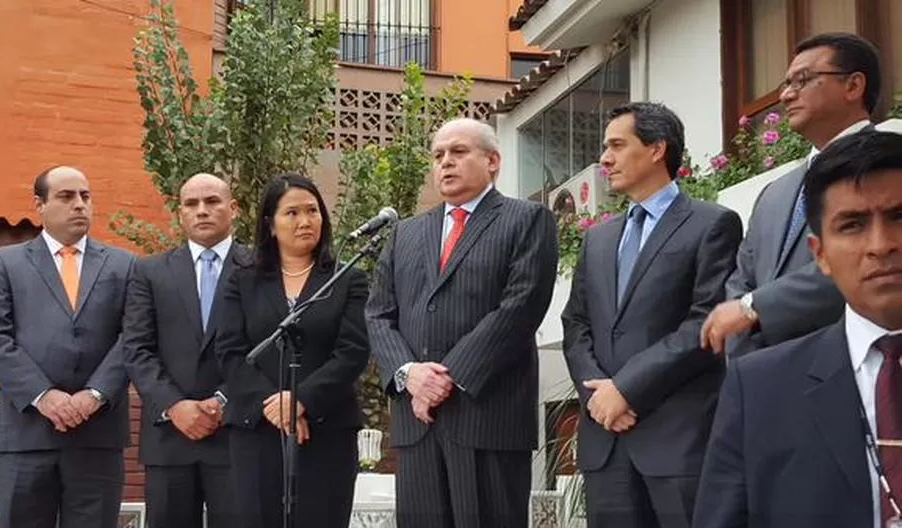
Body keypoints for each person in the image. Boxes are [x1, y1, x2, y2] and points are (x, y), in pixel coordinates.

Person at [694, 129, 902, 528]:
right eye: (853, 225)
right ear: (820, 255)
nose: (881, 244)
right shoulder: (759, 389)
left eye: (900, 216)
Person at [366, 118, 559, 528]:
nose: (446, 163)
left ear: (493, 161)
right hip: (418, 423)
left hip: (487, 416)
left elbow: (520, 306)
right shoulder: (405, 234)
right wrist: (409, 374)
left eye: (458, 152)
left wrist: (445, 378)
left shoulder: (527, 220)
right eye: (438, 156)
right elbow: (379, 313)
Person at [561, 102, 743, 528]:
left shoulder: (712, 224)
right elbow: (576, 325)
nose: (604, 158)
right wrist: (599, 399)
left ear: (658, 149)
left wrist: (626, 389)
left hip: (678, 442)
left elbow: (705, 323)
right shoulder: (598, 239)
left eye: (617, 146)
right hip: (606, 440)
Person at [701, 32, 882, 358]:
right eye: (785, 84)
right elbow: (741, 282)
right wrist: (750, 357)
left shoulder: (888, 169)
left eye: (803, 80)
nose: (786, 95)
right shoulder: (774, 194)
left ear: (853, 86)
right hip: (770, 380)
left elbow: (865, 263)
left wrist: (755, 308)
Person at [0, 166, 133, 528]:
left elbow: (134, 338)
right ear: (39, 205)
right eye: (66, 196)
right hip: (26, 435)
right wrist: (45, 396)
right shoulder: (5, 263)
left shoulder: (124, 265)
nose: (79, 205)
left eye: (85, 196)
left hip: (98, 436)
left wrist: (93, 395)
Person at [215, 174, 369, 528]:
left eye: (312, 211)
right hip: (257, 429)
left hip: (325, 428)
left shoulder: (347, 278)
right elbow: (230, 351)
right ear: (271, 225)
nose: (305, 221)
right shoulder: (242, 280)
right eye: (292, 213)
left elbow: (353, 351)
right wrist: (275, 406)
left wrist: (301, 400)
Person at [124, 173, 248, 528]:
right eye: (191, 204)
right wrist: (174, 406)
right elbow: (136, 348)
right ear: (180, 214)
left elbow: (265, 346)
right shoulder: (149, 272)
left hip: (238, 435)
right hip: (169, 439)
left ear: (233, 208)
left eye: (212, 201)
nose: (202, 211)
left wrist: (224, 400)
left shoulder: (259, 269)